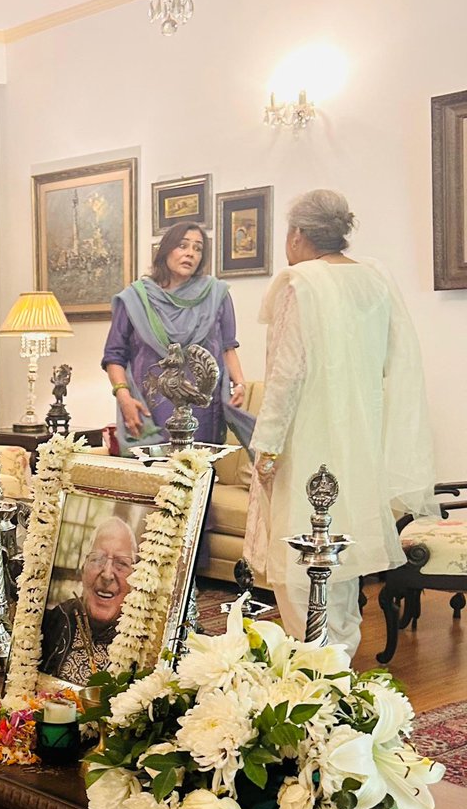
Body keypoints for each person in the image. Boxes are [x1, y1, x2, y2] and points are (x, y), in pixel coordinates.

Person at [245, 189, 437, 655]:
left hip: (307, 443)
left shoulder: (299, 282)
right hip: (359, 443)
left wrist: (265, 449)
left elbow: (285, 375)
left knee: (299, 561)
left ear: (296, 235)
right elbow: (397, 360)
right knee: (343, 560)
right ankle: (339, 663)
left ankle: (311, 668)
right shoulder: (375, 277)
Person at [103, 221, 255, 456]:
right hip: (149, 407)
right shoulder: (136, 298)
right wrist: (123, 398)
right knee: (154, 483)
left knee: (197, 477)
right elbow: (114, 356)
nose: (190, 253)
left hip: (203, 408)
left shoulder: (216, 294)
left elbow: (227, 347)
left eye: (197, 248)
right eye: (182, 246)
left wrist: (240, 384)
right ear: (166, 250)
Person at [40, 516, 136, 683]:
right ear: (83, 569)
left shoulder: (144, 645)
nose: (107, 574)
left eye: (121, 564)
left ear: (135, 579)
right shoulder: (51, 623)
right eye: (98, 559)